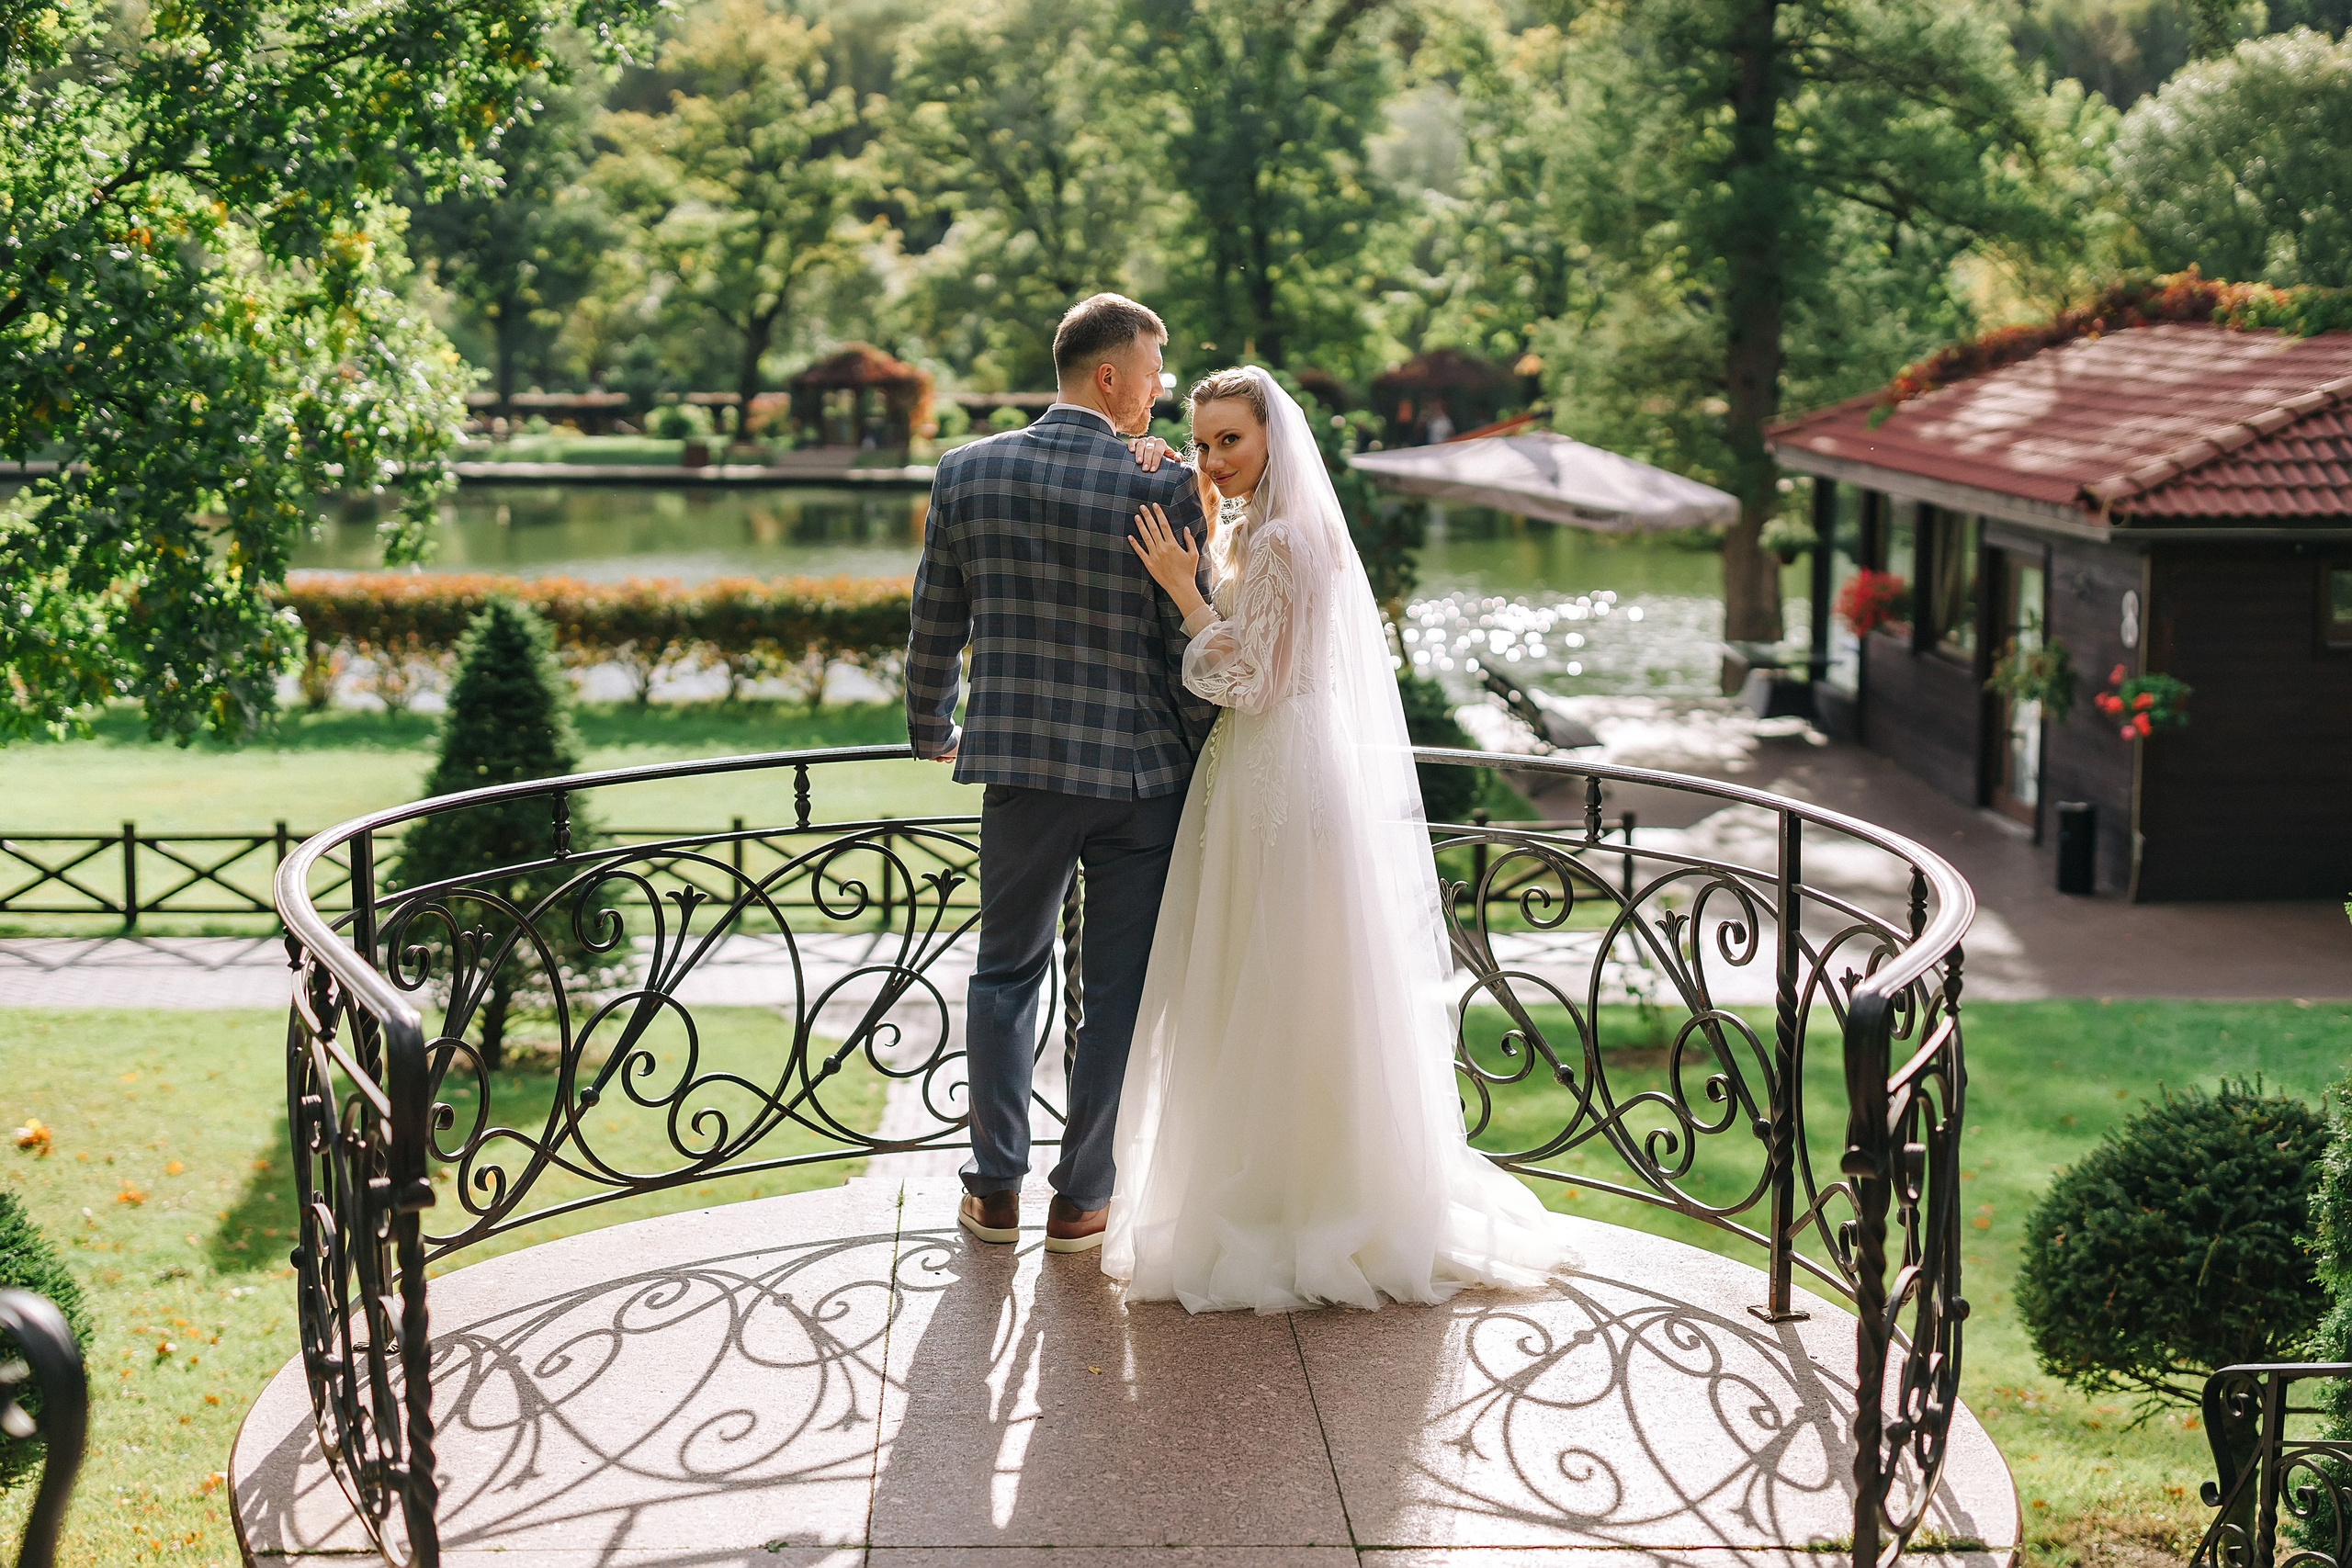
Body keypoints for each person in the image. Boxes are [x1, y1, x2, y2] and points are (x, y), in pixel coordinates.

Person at [1107, 367, 1576, 1313]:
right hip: (1269, 776)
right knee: (1271, 980)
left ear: (1274, 435)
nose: (1213, 458)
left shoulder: (1281, 538)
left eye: (1229, 440)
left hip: (1278, 773)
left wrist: (1183, 593)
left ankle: (1295, 1202)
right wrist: (1193, 513)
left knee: (1280, 979)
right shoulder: (1263, 531)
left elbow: (1254, 685)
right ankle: (1281, 1182)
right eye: (1200, 442)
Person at [904, 293, 1215, 1255]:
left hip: (1022, 771)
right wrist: (1214, 752)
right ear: (1110, 375)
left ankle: (993, 1189)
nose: (1162, 389)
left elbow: (935, 623)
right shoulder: (1153, 487)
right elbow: (1186, 646)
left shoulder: (967, 471)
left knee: (1005, 974)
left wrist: (932, 727)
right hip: (1138, 781)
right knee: (1115, 991)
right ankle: (1082, 1200)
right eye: (1155, 369)